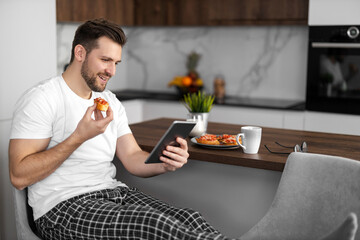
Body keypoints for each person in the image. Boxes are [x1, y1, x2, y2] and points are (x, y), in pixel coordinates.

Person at [8, 18, 358, 240]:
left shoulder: (110, 103)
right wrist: (77, 138)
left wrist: (164, 162)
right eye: (105, 60)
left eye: (117, 62)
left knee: (187, 218)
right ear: (80, 53)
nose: (112, 71)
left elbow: (131, 160)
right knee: (157, 228)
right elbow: (19, 176)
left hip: (111, 194)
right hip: (62, 211)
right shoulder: (43, 99)